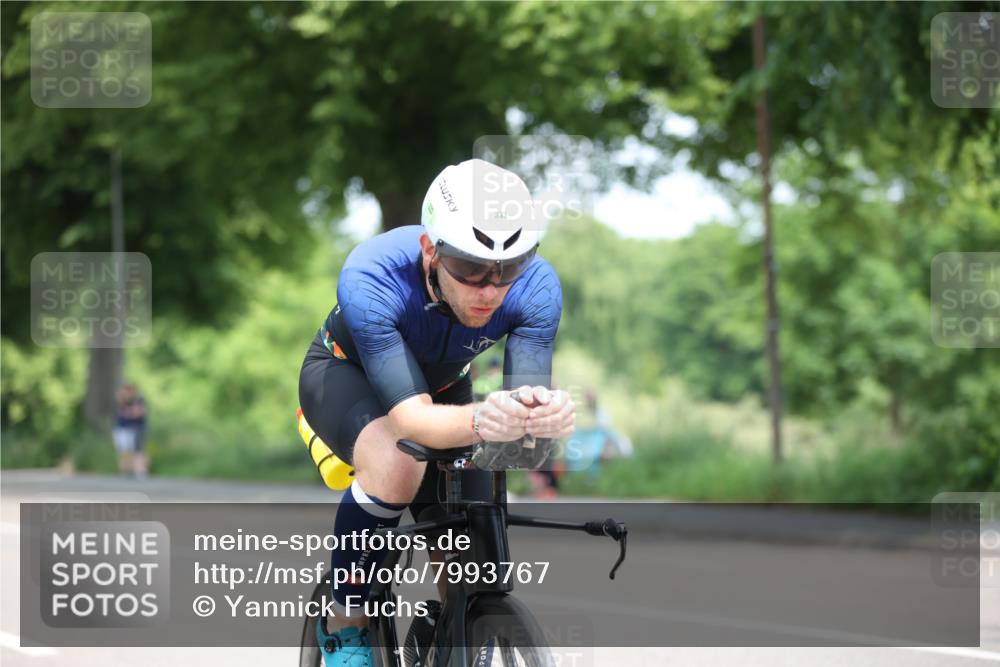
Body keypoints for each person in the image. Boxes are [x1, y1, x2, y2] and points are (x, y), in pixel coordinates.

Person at [298, 158, 576, 667]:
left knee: (468, 527)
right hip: (345, 376)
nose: (490, 289)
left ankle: (459, 627)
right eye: (471, 268)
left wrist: (543, 417)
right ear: (431, 249)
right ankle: (344, 620)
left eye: (509, 268)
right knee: (398, 465)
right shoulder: (373, 274)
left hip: (445, 385)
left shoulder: (537, 287)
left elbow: (522, 425)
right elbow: (410, 420)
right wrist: (484, 419)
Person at [112, 382, 148, 478]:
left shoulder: (138, 400)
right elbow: (119, 402)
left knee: (137, 450)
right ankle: (126, 470)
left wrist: (129, 412)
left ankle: (139, 471)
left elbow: (139, 412)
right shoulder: (123, 400)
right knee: (124, 450)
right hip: (122, 428)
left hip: (135, 428)